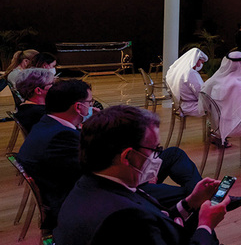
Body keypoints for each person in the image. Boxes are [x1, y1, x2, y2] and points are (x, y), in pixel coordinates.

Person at [54, 105, 241, 245]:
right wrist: (205, 226)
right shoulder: (126, 219)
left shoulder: (89, 185)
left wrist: (190, 203)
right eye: (154, 150)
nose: (157, 157)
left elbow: (154, 224)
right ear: (127, 156)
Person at [17, 80, 217, 230]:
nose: (92, 106)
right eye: (89, 101)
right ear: (78, 107)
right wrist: (143, 174)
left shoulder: (48, 125)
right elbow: (100, 168)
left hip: (88, 186)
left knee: (173, 154)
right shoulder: (61, 137)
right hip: (99, 194)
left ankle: (207, 194)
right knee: (190, 198)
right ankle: (205, 217)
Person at [165, 47, 208, 117]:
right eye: (201, 62)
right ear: (196, 60)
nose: (201, 65)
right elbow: (201, 93)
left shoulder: (176, 71)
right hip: (191, 107)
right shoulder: (191, 73)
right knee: (219, 106)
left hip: (180, 105)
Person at [12, 68, 53, 134]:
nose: (54, 86)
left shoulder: (24, 107)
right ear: (38, 91)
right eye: (52, 84)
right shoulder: (41, 114)